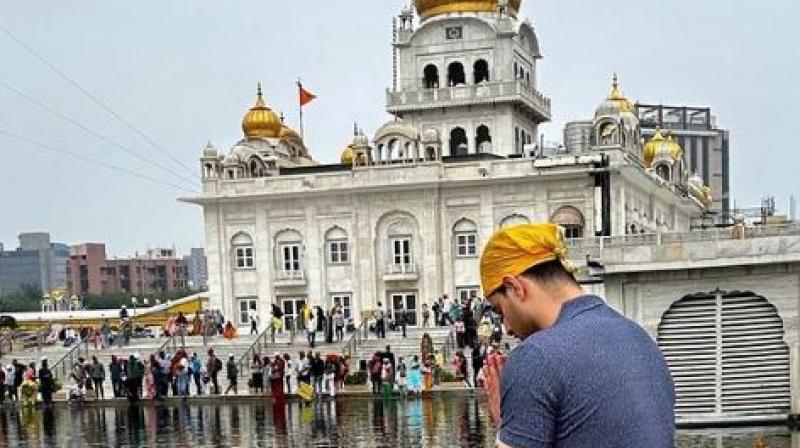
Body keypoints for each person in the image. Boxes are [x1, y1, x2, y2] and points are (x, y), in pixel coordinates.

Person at [479, 223, 675, 447]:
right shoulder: (640, 339)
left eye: (499, 310)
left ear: (515, 287)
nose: (506, 327)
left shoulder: (536, 356)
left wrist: (504, 423)